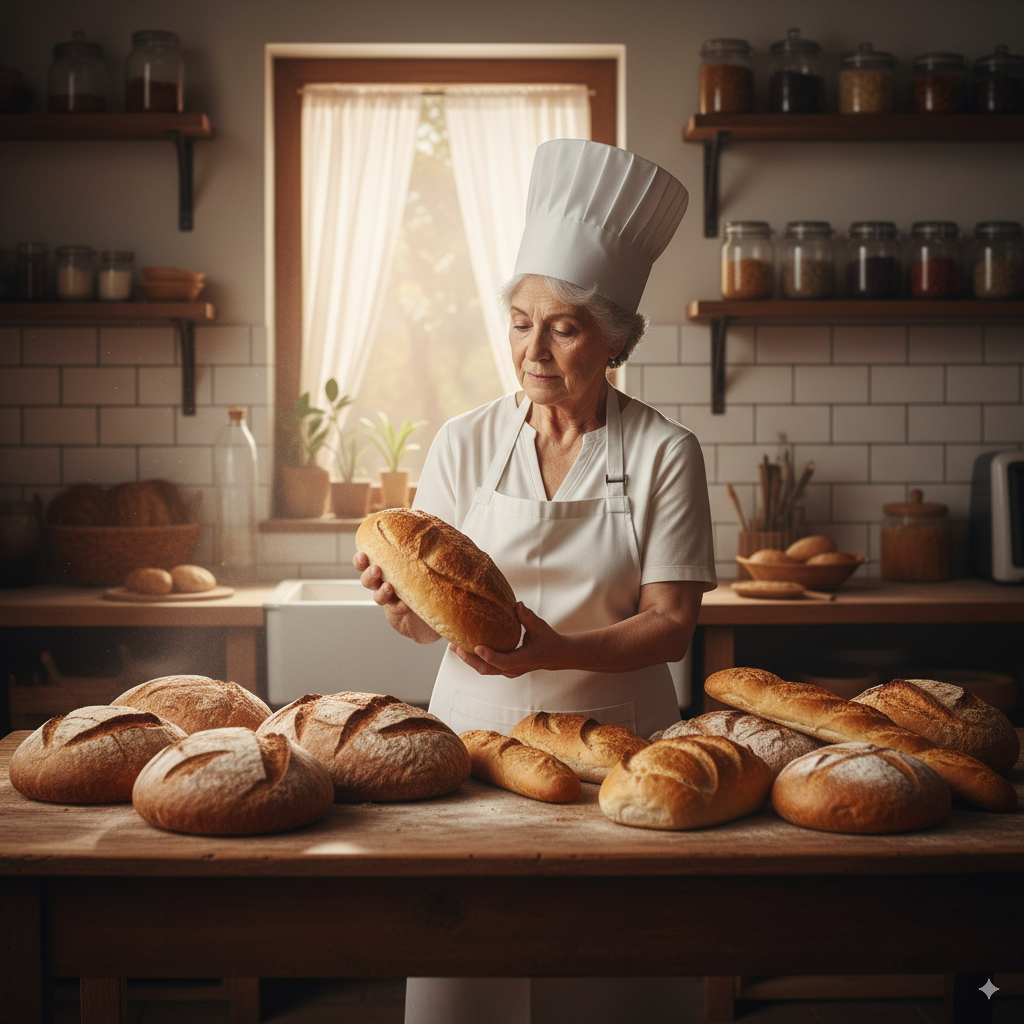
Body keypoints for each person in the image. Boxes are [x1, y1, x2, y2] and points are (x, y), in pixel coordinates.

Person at [354, 139, 716, 1024]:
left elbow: (671, 624)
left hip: (618, 761)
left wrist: (559, 651)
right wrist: (399, 606)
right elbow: (435, 619)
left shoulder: (664, 452)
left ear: (614, 338)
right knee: (467, 971)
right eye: (521, 321)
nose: (535, 348)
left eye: (564, 325)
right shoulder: (463, 441)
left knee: (612, 983)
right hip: (474, 750)